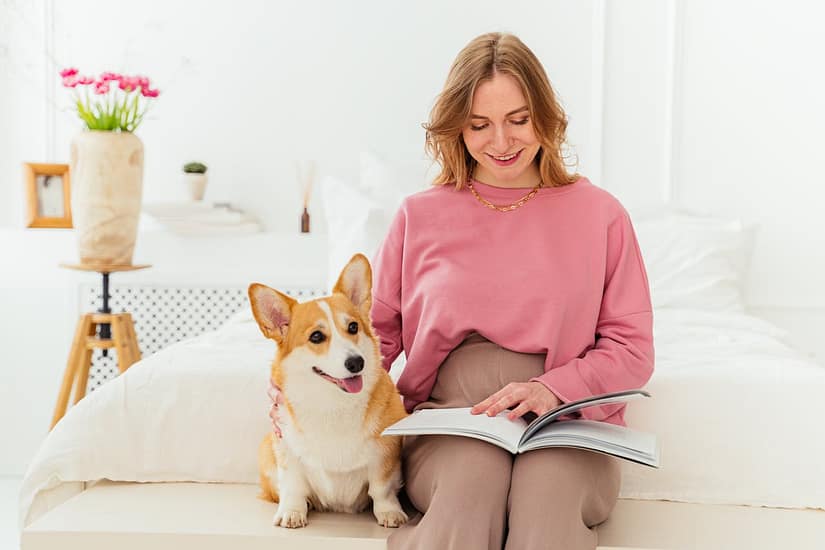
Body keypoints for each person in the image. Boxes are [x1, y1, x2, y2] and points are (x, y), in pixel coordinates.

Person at [268, 32, 654, 550]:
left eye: (519, 119)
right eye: (479, 125)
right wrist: (299, 386)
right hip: (451, 419)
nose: (501, 141)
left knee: (545, 507)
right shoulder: (419, 215)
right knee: (470, 494)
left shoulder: (601, 214)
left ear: (546, 114)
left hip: (566, 419)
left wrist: (553, 388)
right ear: (456, 128)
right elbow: (370, 335)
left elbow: (632, 349)